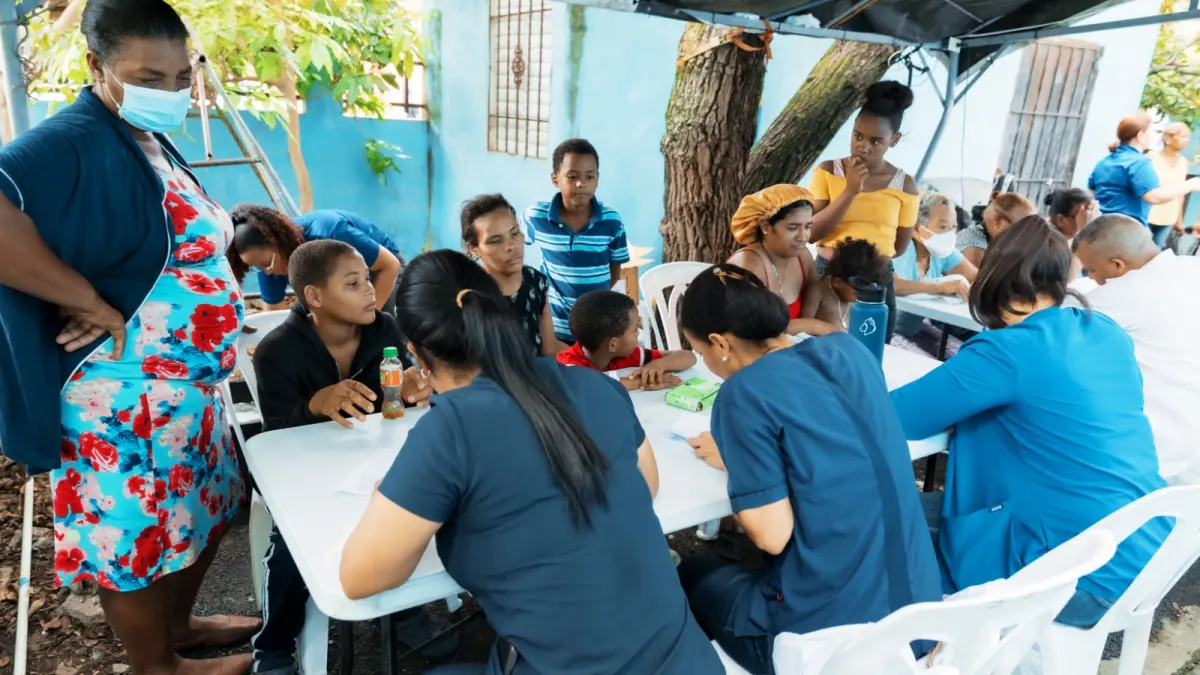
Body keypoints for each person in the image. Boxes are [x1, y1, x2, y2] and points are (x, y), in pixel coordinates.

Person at [0, 1, 260, 672]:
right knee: (137, 547)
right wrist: (87, 300)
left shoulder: (143, 136)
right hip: (121, 398)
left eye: (181, 76)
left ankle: (182, 627)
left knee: (203, 514)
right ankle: (158, 667)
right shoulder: (73, 138)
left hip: (187, 390)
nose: (171, 92)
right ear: (97, 68)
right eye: (150, 76)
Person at [338, 249, 723, 675]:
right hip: (686, 659)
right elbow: (644, 485)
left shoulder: (450, 431)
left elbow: (361, 579)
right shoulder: (592, 384)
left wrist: (397, 505)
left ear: (415, 353)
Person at [891, 216, 1169, 628]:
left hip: (1071, 575)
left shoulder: (1009, 350)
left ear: (994, 276)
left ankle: (910, 644)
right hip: (1145, 555)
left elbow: (897, 417)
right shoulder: (1105, 332)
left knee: (874, 518)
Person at [676, 264, 941, 674]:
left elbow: (772, 535)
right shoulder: (850, 349)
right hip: (921, 616)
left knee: (688, 574)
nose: (706, 362)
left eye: (700, 353)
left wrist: (736, 459)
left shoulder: (742, 395)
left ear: (719, 343)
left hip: (836, 649)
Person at [249, 241, 429, 673]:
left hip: (373, 463)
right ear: (313, 295)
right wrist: (314, 405)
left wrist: (409, 391)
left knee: (410, 515)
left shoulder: (384, 330)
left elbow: (394, 407)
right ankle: (272, 646)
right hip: (304, 481)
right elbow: (275, 440)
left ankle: (401, 609)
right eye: (353, 283)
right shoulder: (277, 351)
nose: (369, 290)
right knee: (292, 549)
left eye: (367, 278)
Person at [1073, 214, 1200, 486]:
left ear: (1117, 265)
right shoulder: (1192, 267)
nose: (1092, 279)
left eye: (1091, 270)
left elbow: (1058, 329)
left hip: (1160, 449)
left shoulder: (1127, 291)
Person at [809, 80, 920, 342]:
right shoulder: (828, 170)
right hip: (829, 275)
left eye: (876, 141)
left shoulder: (905, 186)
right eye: (858, 136)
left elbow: (899, 247)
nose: (863, 146)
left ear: (894, 140)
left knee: (873, 351)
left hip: (876, 281)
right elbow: (811, 233)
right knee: (818, 349)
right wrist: (850, 191)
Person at [522, 138, 630, 343]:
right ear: (555, 178)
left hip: (597, 331)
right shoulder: (536, 216)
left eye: (589, 177)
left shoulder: (611, 221)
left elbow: (616, 273)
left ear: (597, 179)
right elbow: (514, 246)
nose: (582, 183)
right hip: (553, 330)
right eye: (572, 176)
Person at [227, 205, 404, 314]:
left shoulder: (330, 234)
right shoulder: (267, 263)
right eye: (256, 267)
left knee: (381, 339)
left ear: (278, 243)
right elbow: (274, 320)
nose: (267, 272)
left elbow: (390, 266)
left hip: (380, 272)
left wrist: (370, 320)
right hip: (335, 283)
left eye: (267, 265)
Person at [461, 193, 566, 357]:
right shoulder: (467, 298)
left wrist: (592, 364)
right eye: (495, 240)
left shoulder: (535, 281)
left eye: (515, 233)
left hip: (537, 380)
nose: (511, 246)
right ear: (472, 249)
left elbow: (550, 347)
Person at [727, 184, 840, 335]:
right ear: (766, 226)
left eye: (807, 227)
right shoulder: (749, 263)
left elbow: (820, 304)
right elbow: (753, 332)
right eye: (793, 227)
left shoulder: (803, 256)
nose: (802, 237)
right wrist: (813, 326)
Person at [556, 289, 697, 390]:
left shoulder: (627, 354)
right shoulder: (568, 366)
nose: (638, 333)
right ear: (613, 344)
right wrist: (638, 382)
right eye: (635, 329)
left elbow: (689, 357)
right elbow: (589, 387)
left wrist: (658, 365)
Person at [1089, 113, 1200, 228]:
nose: (1154, 135)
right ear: (1140, 135)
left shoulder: (1105, 161)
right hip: (1126, 231)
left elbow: (1092, 192)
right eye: (1151, 131)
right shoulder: (1138, 162)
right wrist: (1190, 185)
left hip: (1100, 227)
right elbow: (1154, 196)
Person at [892, 192, 979, 340]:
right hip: (885, 329)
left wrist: (969, 288)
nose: (950, 234)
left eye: (953, 228)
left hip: (910, 332)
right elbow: (890, 284)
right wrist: (940, 287)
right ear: (917, 229)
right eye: (943, 227)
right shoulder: (899, 247)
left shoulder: (945, 253)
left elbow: (979, 279)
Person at [808, 238, 892, 331]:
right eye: (858, 290)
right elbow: (804, 325)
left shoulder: (854, 299)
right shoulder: (818, 291)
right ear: (838, 283)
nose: (862, 295)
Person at [955, 192, 1036, 267]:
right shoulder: (975, 250)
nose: (1022, 237)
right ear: (999, 223)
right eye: (1020, 230)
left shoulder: (983, 235)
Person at [1147, 122, 1194, 248]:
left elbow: (1180, 194)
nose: (1186, 140)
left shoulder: (1183, 162)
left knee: (1157, 252)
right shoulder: (1151, 158)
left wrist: (1179, 221)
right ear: (1168, 138)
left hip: (1168, 217)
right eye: (1183, 136)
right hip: (1148, 215)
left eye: (1188, 137)